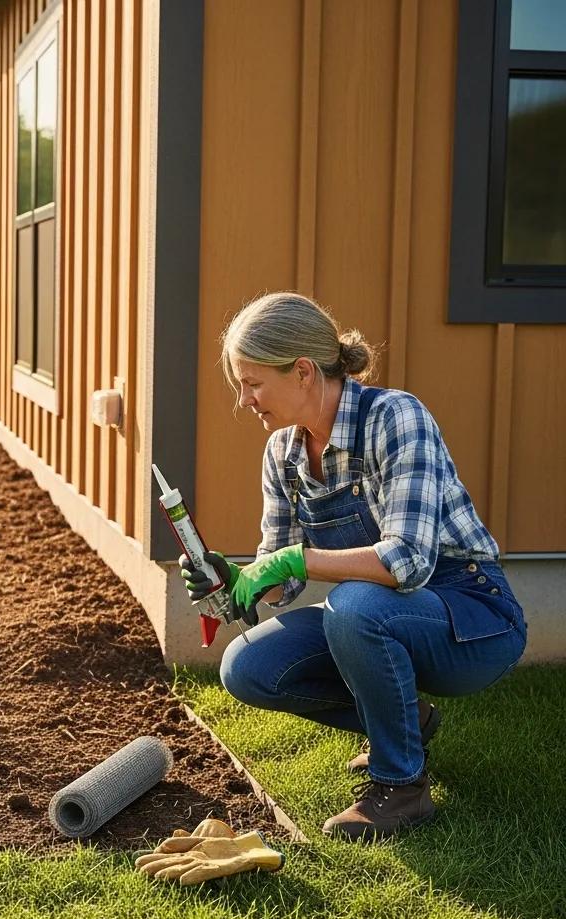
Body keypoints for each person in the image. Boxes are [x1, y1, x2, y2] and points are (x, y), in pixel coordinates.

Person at [181, 292, 527, 842]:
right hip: (378, 611)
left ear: (300, 372)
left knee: (354, 606)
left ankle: (401, 786)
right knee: (247, 667)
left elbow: (408, 563)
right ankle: (407, 721)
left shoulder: (396, 418)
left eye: (252, 383)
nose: (244, 399)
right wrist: (235, 579)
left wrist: (295, 558)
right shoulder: (282, 454)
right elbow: (285, 579)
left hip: (471, 616)